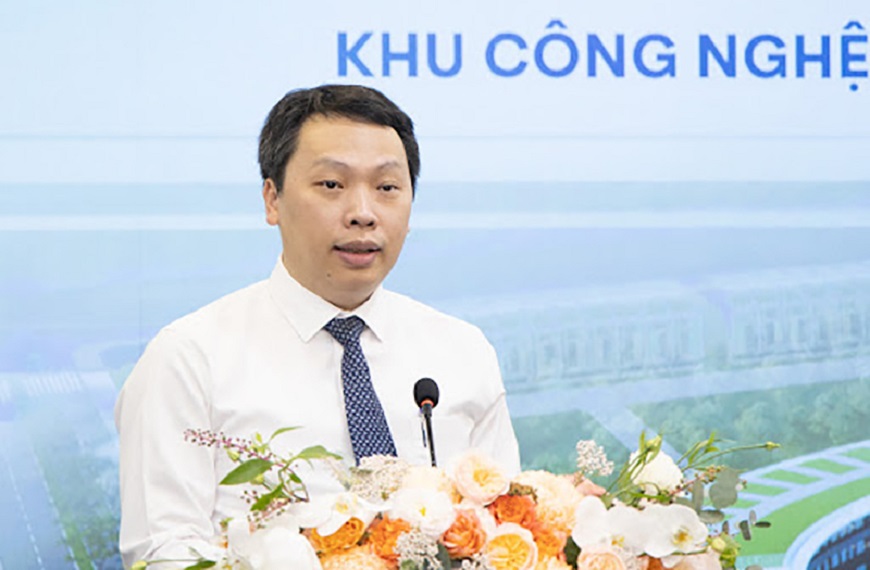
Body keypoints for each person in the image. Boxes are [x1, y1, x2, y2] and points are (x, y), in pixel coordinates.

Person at [114, 84, 520, 567]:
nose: (363, 214)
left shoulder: (462, 351)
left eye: (387, 188)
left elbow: (509, 534)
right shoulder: (190, 358)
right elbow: (163, 552)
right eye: (331, 185)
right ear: (272, 199)